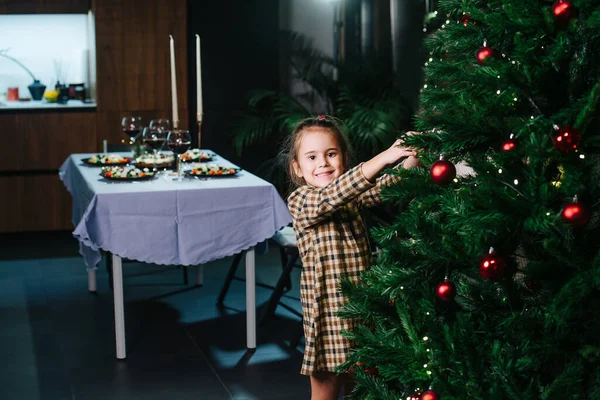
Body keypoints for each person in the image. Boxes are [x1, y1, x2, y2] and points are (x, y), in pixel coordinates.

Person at [284, 115, 420, 399]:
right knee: (326, 387)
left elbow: (387, 186)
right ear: (297, 168)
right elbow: (333, 196)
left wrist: (412, 156)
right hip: (328, 313)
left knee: (361, 386)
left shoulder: (351, 197)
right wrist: (385, 156)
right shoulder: (301, 200)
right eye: (311, 157)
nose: (322, 163)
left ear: (343, 158)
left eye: (331, 154)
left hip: (361, 306)